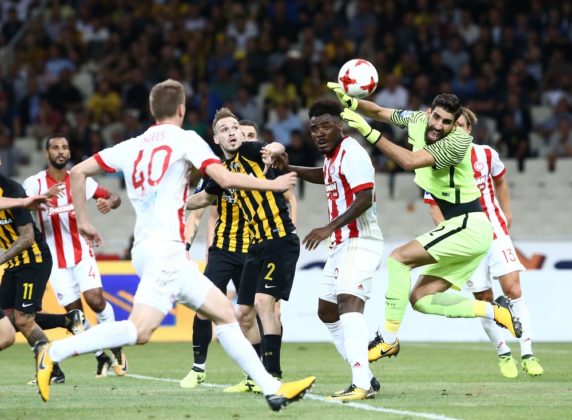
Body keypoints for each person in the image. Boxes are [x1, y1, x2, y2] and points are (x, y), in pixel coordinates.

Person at [33, 79, 314, 411]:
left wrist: (83, 220)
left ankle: (272, 389)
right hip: (164, 250)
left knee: (225, 314)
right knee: (140, 330)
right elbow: (224, 179)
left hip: (150, 248)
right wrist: (273, 185)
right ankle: (54, 352)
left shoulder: (131, 145)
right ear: (181, 109)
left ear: (152, 110)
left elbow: (78, 172)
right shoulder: (186, 140)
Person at [327, 83, 522, 366]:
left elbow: (409, 161)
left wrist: (368, 132)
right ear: (429, 112)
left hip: (470, 224)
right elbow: (380, 111)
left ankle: (387, 339)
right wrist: (352, 102)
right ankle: (494, 311)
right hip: (463, 227)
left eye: (447, 122)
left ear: (455, 125)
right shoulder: (418, 120)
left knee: (398, 259)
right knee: (420, 299)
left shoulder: (458, 142)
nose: (439, 126)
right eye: (437, 117)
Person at [273, 99, 383, 401]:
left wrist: (328, 227)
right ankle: (365, 376)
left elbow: (365, 198)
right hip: (341, 244)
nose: (319, 133)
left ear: (340, 125)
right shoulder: (334, 158)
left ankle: (360, 383)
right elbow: (325, 176)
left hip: (360, 240)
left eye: (325, 126)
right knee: (327, 311)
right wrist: (291, 169)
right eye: (314, 129)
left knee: (348, 302)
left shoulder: (353, 152)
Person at [423, 108, 543, 378]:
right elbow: (433, 204)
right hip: (467, 241)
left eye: (462, 125)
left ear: (469, 130)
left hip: (495, 232)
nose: (457, 129)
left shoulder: (486, 154)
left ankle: (528, 353)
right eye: (453, 125)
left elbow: (500, 181)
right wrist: (447, 233)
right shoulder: (436, 161)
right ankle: (503, 354)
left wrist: (507, 212)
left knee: (513, 289)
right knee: (484, 300)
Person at [181, 119, 296, 393]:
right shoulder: (220, 173)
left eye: (236, 129)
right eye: (226, 130)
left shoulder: (251, 151)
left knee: (265, 306)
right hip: (244, 247)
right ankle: (249, 375)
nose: (233, 133)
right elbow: (202, 201)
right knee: (242, 313)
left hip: (275, 239)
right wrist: (172, 203)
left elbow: (275, 147)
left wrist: (274, 149)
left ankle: (272, 373)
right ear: (216, 139)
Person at [23, 134, 127, 378]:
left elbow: (115, 197)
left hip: (81, 252)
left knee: (95, 300)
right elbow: (22, 206)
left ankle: (117, 349)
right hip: (54, 261)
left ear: (69, 153)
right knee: (75, 317)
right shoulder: (34, 183)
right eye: (55, 147)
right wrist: (40, 199)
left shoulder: (80, 180)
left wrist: (110, 203)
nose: (60, 151)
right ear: (47, 153)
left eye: (64, 147)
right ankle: (100, 356)